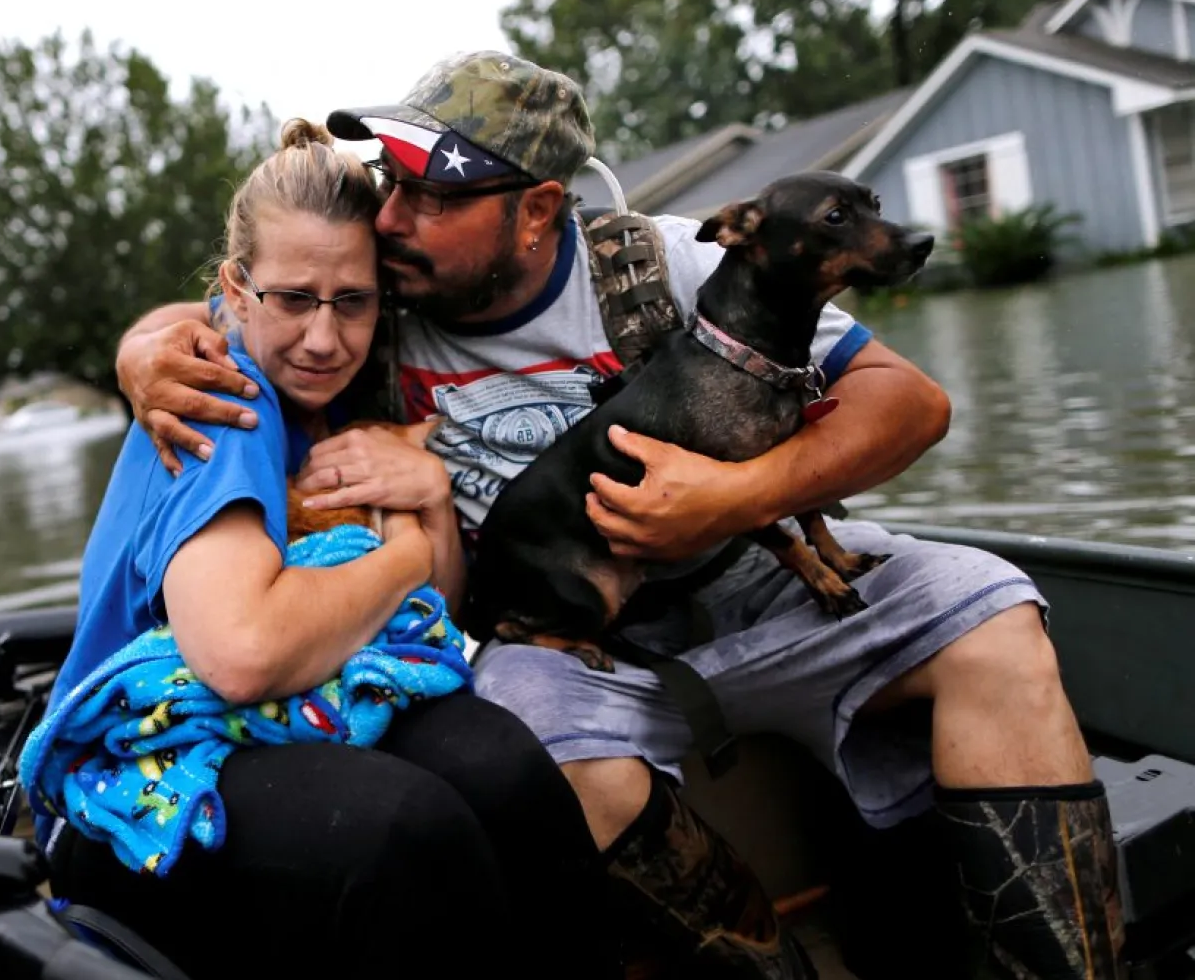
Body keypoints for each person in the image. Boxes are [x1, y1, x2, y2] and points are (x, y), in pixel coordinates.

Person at [112, 54, 1126, 979]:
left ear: (538, 208)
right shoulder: (371, 300)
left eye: (435, 194)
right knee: (519, 741)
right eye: (393, 181)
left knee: (996, 618)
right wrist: (143, 357)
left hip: (776, 588)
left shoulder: (674, 265)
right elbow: (226, 311)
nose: (392, 219)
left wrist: (734, 498)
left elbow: (911, 403)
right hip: (573, 637)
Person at [41, 117, 619, 980]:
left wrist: (427, 497)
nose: (323, 336)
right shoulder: (221, 397)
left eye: (352, 301)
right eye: (294, 300)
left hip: (300, 704)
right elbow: (241, 654)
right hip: (141, 773)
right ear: (237, 292)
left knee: (506, 771)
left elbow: (440, 615)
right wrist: (406, 558)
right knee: (404, 830)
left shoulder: (352, 393)